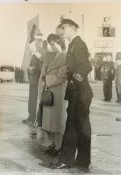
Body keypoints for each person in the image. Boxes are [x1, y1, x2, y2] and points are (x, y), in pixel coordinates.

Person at [50, 18, 93, 170]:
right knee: (82, 127)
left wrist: (74, 81)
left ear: (73, 28)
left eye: (65, 28)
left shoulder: (78, 44)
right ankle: (82, 161)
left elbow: (86, 67)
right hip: (79, 92)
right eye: (62, 28)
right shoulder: (73, 44)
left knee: (72, 126)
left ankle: (65, 160)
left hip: (80, 92)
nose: (62, 31)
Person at [36, 34, 67, 156]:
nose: (52, 47)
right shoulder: (51, 56)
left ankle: (59, 146)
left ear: (60, 42)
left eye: (53, 44)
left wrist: (47, 79)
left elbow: (61, 76)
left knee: (57, 122)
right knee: (50, 121)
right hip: (50, 92)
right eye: (50, 45)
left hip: (58, 92)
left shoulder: (65, 57)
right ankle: (54, 144)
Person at [22, 35, 44, 126]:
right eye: (36, 41)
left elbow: (42, 67)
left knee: (35, 100)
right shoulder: (35, 53)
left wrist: (35, 69)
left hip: (38, 81)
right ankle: (30, 116)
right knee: (31, 100)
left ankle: (35, 118)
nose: (36, 43)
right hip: (33, 80)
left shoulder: (42, 53)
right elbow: (31, 65)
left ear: (41, 42)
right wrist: (29, 68)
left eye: (38, 41)